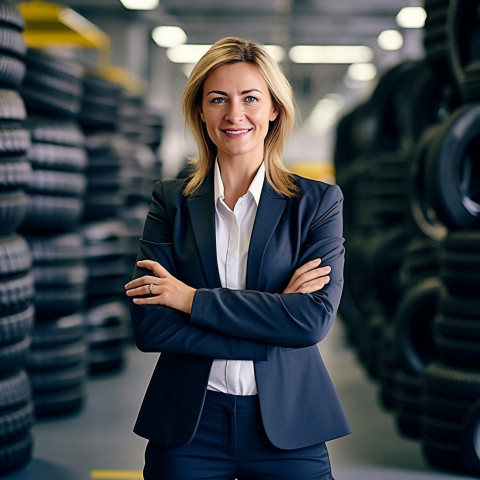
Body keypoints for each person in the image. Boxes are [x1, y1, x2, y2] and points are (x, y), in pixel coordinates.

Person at [124, 36, 350, 480]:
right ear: (201, 112)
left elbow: (310, 322)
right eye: (217, 99)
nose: (234, 114)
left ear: (274, 109)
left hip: (289, 426)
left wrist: (190, 300)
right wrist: (273, 319)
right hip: (190, 425)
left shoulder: (318, 203)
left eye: (250, 98)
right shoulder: (170, 201)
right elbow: (151, 327)